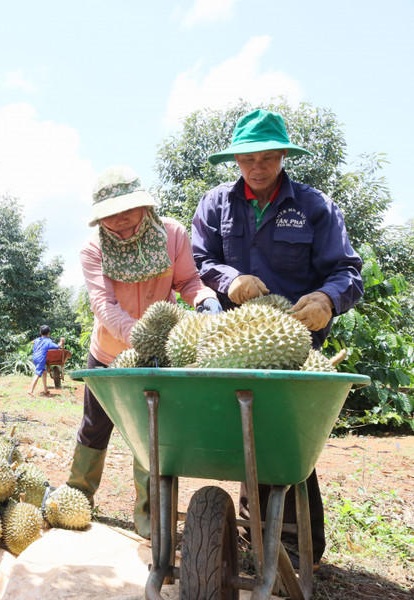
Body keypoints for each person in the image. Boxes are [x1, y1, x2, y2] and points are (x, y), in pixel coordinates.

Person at [191, 108, 364, 564]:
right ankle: (255, 535)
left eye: (268, 157)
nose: (258, 167)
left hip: (295, 347)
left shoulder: (316, 207)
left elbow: (347, 271)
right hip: (232, 345)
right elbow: (201, 260)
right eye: (248, 159)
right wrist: (229, 280)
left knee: (284, 442)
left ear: (284, 156)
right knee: (245, 436)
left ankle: (297, 549)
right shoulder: (215, 204)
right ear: (236, 161)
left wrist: (328, 298)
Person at [67, 165, 221, 539]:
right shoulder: (93, 249)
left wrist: (204, 298)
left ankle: (151, 518)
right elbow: (103, 304)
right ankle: (77, 498)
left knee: (153, 434)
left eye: (126, 210)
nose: (119, 220)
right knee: (94, 427)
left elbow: (187, 281)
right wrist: (140, 335)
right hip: (108, 352)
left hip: (158, 355)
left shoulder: (172, 235)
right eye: (109, 214)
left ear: (144, 206)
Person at [27, 325, 65, 397]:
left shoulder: (37, 339)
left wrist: (34, 342)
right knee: (38, 373)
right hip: (41, 358)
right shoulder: (48, 341)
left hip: (35, 358)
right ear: (48, 333)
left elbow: (34, 341)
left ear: (40, 332)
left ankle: (45, 390)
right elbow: (57, 347)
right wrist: (61, 341)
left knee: (44, 372)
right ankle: (31, 390)